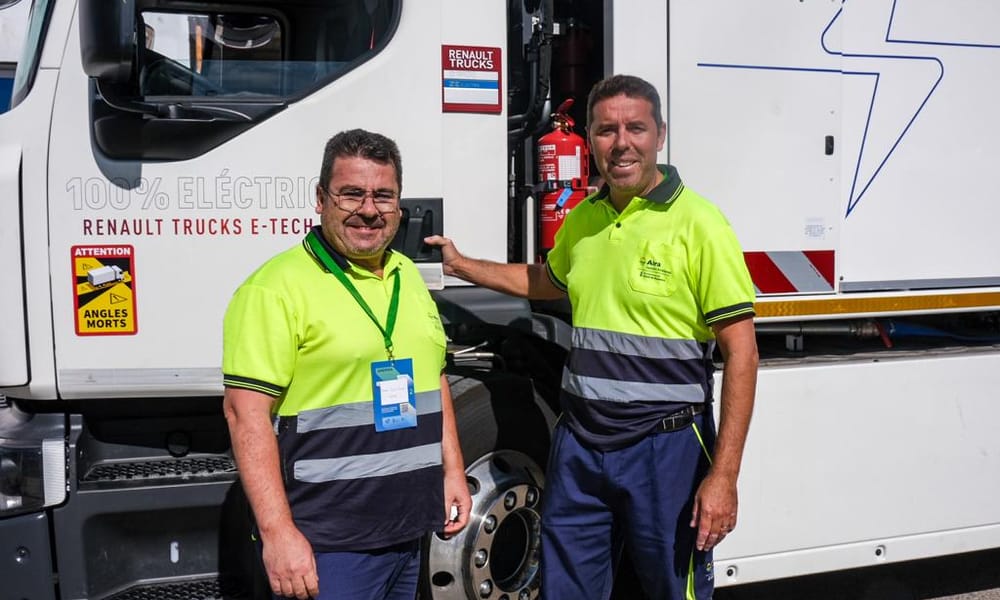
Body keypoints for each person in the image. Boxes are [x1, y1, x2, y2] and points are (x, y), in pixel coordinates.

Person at [425, 74, 758, 599]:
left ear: (660, 135)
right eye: (606, 130)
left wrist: (723, 477)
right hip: (580, 444)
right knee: (569, 590)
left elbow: (743, 356)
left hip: (665, 447)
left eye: (635, 128)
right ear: (591, 139)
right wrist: (463, 265)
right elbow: (544, 281)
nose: (621, 143)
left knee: (673, 590)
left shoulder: (701, 224)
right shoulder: (584, 219)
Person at [222, 129, 471, 600]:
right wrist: (277, 534)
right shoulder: (274, 288)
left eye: (383, 195)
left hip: (408, 531)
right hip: (328, 547)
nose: (369, 209)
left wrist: (451, 471)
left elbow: (432, 378)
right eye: (351, 194)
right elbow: (244, 414)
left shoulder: (408, 278)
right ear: (320, 198)